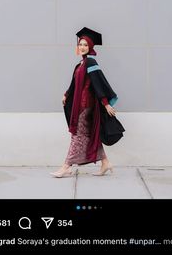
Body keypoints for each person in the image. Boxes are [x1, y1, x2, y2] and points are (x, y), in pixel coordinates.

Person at [51, 27, 122, 178]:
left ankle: (66, 166)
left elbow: (98, 83)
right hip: (80, 104)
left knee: (77, 134)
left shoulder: (90, 62)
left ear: (90, 47)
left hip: (85, 105)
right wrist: (66, 94)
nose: (82, 47)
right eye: (80, 44)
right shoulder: (80, 64)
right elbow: (74, 83)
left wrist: (106, 103)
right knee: (88, 134)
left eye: (85, 45)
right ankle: (105, 162)